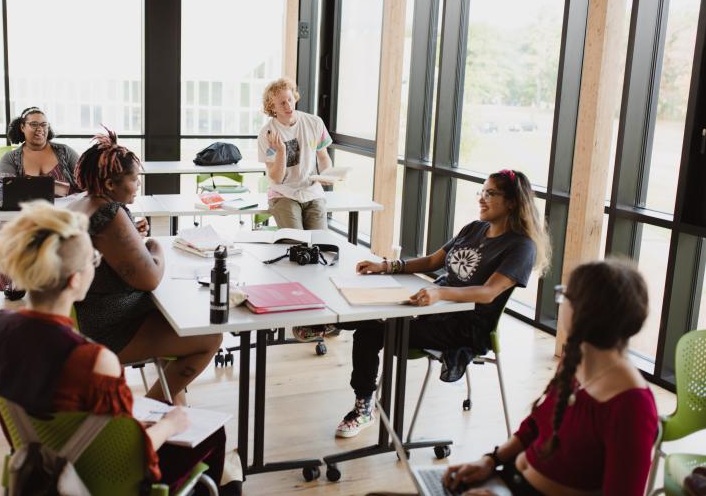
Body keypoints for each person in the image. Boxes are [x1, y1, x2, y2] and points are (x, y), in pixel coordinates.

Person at [0, 202, 236, 494]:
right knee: (212, 437)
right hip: (103, 481)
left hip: (40, 465)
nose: (96, 264)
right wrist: (169, 425)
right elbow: (129, 456)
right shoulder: (93, 360)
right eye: (94, 260)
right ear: (76, 280)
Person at [319, 169, 551, 438]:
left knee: (370, 331)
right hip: (433, 309)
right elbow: (432, 261)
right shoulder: (475, 229)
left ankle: (363, 408)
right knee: (365, 301)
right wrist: (386, 266)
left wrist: (441, 294)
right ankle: (326, 324)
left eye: (491, 193)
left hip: (464, 326)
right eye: (482, 192)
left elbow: (488, 293)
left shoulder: (521, 247)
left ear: (512, 201)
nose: (482, 199)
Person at [443, 259, 658, 495]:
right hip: (508, 479)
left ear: (585, 312)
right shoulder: (574, 361)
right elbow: (537, 425)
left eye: (566, 295)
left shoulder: (632, 406)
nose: (561, 301)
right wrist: (490, 461)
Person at [67, 128, 222, 405]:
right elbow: (149, 279)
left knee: (177, 317)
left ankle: (176, 414)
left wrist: (133, 239)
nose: (138, 185)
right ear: (112, 184)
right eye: (134, 179)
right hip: (109, 330)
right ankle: (150, 415)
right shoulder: (109, 212)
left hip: (88, 317)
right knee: (209, 337)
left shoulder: (84, 203)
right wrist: (154, 245)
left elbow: (111, 253)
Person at [0, 106, 81, 300]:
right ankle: (16, 278)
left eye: (43, 124)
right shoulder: (10, 158)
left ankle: (63, 277)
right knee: (7, 225)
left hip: (64, 212)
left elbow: (84, 179)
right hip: (24, 213)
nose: (39, 129)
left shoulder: (64, 152)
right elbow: (6, 188)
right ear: (22, 128)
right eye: (33, 124)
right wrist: (57, 187)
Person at [257, 77, 333, 230]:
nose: (288, 106)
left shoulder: (315, 123)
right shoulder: (267, 134)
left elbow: (323, 158)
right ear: (272, 107)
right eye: (282, 103)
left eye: (290, 99)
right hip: (283, 194)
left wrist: (327, 174)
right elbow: (276, 178)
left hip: (312, 192)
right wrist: (281, 151)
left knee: (319, 243)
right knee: (296, 244)